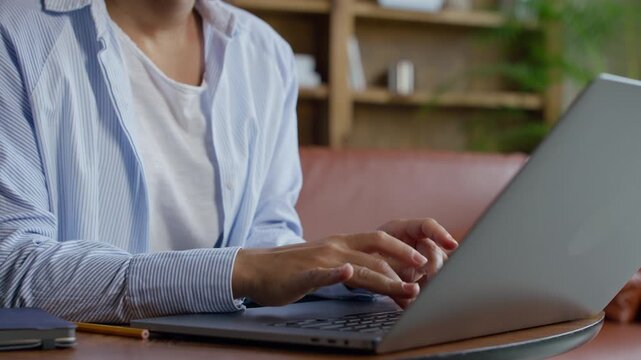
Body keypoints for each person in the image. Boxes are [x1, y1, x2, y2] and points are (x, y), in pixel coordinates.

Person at [0, 0, 458, 323]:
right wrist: (242, 271)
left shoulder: (264, 55)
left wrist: (355, 271)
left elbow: (267, 239)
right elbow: (14, 271)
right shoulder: (15, 37)